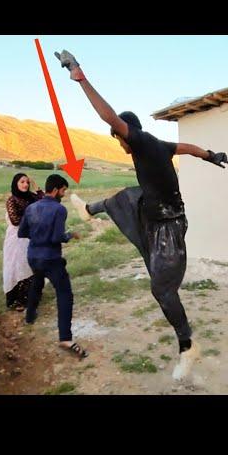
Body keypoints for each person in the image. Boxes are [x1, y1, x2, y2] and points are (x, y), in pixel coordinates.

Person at [55, 49, 228, 379]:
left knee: (161, 290)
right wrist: (210, 155)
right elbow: (186, 147)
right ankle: (90, 210)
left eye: (119, 139)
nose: (120, 145)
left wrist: (80, 77)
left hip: (167, 227)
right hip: (155, 213)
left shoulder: (141, 141)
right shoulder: (156, 145)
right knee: (124, 197)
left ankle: (188, 346)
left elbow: (109, 117)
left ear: (124, 134)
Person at [18, 174, 87, 358]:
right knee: (65, 294)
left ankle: (30, 317)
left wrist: (38, 235)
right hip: (51, 258)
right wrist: (70, 234)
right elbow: (57, 237)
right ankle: (65, 337)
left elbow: (22, 232)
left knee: (37, 283)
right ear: (56, 190)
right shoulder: (59, 209)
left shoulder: (31, 208)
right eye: (63, 190)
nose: (64, 194)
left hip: (33, 256)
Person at [3, 173, 44, 311]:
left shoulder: (32, 197)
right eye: (22, 182)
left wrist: (37, 188)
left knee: (30, 265)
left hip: (31, 238)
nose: (25, 185)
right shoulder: (11, 200)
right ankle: (17, 300)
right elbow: (15, 220)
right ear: (16, 184)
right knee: (17, 266)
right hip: (16, 239)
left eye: (27, 182)